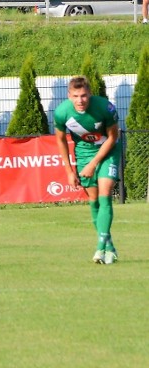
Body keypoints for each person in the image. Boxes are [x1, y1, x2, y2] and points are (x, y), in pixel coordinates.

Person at [54, 76, 121, 265]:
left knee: (105, 193)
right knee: (93, 201)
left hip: (108, 151)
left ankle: (100, 246)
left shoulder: (105, 107)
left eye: (83, 95)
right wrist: (69, 171)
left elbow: (113, 137)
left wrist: (94, 164)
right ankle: (110, 247)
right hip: (84, 153)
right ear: (69, 96)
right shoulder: (62, 113)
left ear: (90, 94)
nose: (80, 100)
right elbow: (60, 140)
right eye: (75, 96)